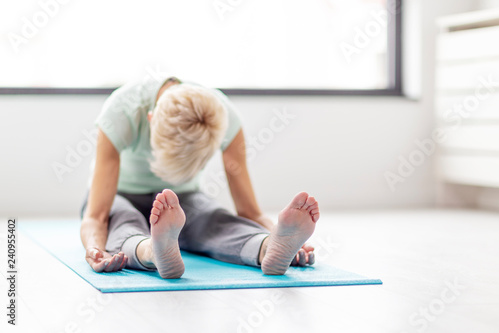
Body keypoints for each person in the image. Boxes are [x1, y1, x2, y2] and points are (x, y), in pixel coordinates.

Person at [79, 75, 320, 278]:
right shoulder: (122, 111)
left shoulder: (225, 119)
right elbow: (96, 216)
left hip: (181, 199)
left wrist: (277, 233)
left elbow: (250, 212)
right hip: (119, 195)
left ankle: (266, 248)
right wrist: (95, 249)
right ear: (150, 120)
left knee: (210, 218)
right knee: (122, 219)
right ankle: (154, 250)